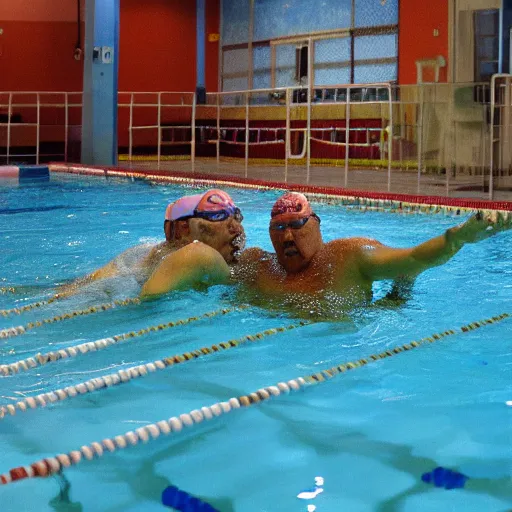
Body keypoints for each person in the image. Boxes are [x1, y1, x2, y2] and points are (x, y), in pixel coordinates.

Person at [234, 192, 511, 319]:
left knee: (394, 292)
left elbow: (415, 255)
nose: (287, 237)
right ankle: (403, 282)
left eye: (296, 225)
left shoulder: (350, 256)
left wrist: (457, 237)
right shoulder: (257, 265)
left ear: (316, 225)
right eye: (279, 228)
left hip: (345, 351)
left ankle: (402, 285)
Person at [57, 189, 245, 299]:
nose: (237, 228)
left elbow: (72, 290)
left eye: (236, 216)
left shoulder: (140, 252)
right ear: (183, 229)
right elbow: (144, 307)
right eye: (218, 216)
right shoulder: (199, 255)